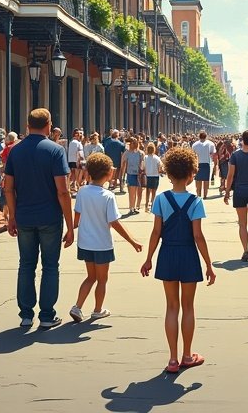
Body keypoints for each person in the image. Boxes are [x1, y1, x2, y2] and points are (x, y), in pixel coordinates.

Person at [141, 147, 215, 373]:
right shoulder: (195, 202)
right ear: (192, 174)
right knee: (188, 306)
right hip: (188, 254)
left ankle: (172, 359)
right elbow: (198, 236)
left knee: (171, 307)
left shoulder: (161, 199)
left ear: (169, 174)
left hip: (167, 254)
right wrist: (209, 264)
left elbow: (156, 232)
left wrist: (148, 258)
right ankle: (187, 355)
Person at [3, 107, 74, 329]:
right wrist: (70, 225)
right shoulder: (55, 151)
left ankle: (25, 314)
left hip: (24, 216)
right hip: (49, 216)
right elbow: (63, 191)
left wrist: (11, 216)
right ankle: (46, 314)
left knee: (26, 265)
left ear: (27, 125)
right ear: (49, 125)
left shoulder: (15, 151)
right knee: (50, 265)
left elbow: (8, 188)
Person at [70, 153, 142, 322]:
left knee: (90, 276)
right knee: (102, 279)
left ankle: (77, 306)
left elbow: (77, 217)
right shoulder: (108, 196)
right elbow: (115, 223)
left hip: (85, 243)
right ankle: (97, 309)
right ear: (109, 173)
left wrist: (70, 231)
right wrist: (132, 241)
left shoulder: (82, 191)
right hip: (102, 244)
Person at [223, 129, 248, 260]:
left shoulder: (235, 156)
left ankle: (245, 250)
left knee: (242, 223)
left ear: (242, 140)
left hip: (240, 191)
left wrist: (227, 190)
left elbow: (230, 175)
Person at [122, 136, 144, 215]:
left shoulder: (140, 153)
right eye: (130, 143)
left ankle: (134, 207)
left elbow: (142, 164)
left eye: (132, 143)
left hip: (138, 175)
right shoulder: (127, 153)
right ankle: (131, 208)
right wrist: (122, 175)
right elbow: (123, 163)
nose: (131, 145)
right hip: (131, 174)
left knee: (138, 192)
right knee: (132, 192)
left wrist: (142, 170)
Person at [192, 130, 215, 199]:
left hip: (198, 163)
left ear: (199, 136)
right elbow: (212, 153)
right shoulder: (210, 143)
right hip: (207, 163)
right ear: (206, 136)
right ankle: (205, 195)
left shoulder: (195, 144)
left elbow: (193, 154)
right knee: (206, 180)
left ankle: (198, 194)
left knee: (198, 180)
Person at [103, 129, 126, 194]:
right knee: (119, 175)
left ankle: (111, 185)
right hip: (117, 161)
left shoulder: (106, 142)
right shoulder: (120, 143)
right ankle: (117, 185)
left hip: (109, 160)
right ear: (118, 135)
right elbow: (124, 152)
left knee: (110, 173)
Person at [143, 142, 163, 213]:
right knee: (154, 191)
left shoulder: (145, 157)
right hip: (155, 176)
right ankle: (152, 205)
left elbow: (143, 166)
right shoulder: (157, 158)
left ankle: (146, 205)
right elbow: (160, 166)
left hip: (148, 176)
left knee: (148, 191)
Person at [67, 129, 86, 195]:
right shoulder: (78, 143)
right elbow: (79, 153)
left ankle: (71, 188)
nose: (80, 135)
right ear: (75, 135)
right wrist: (82, 161)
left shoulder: (72, 142)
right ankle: (78, 188)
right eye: (79, 134)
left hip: (71, 160)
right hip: (77, 161)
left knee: (72, 176)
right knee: (78, 176)